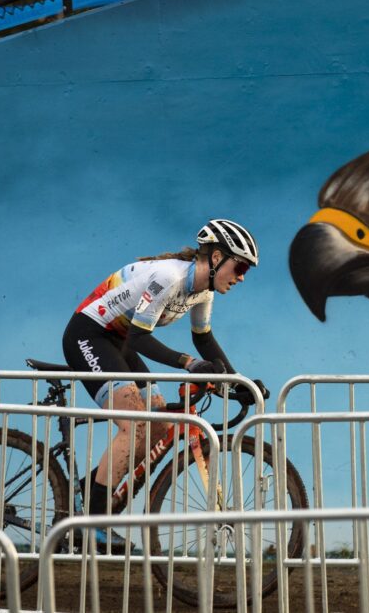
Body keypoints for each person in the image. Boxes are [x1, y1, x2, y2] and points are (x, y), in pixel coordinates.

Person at [62, 218, 259, 550]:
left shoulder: (203, 292)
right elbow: (141, 338)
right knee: (136, 427)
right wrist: (189, 365)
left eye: (247, 271)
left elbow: (205, 342)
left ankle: (84, 497)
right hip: (90, 335)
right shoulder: (168, 278)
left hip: (118, 340)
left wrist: (238, 382)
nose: (241, 277)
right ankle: (90, 524)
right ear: (215, 258)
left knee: (156, 427)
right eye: (239, 266)